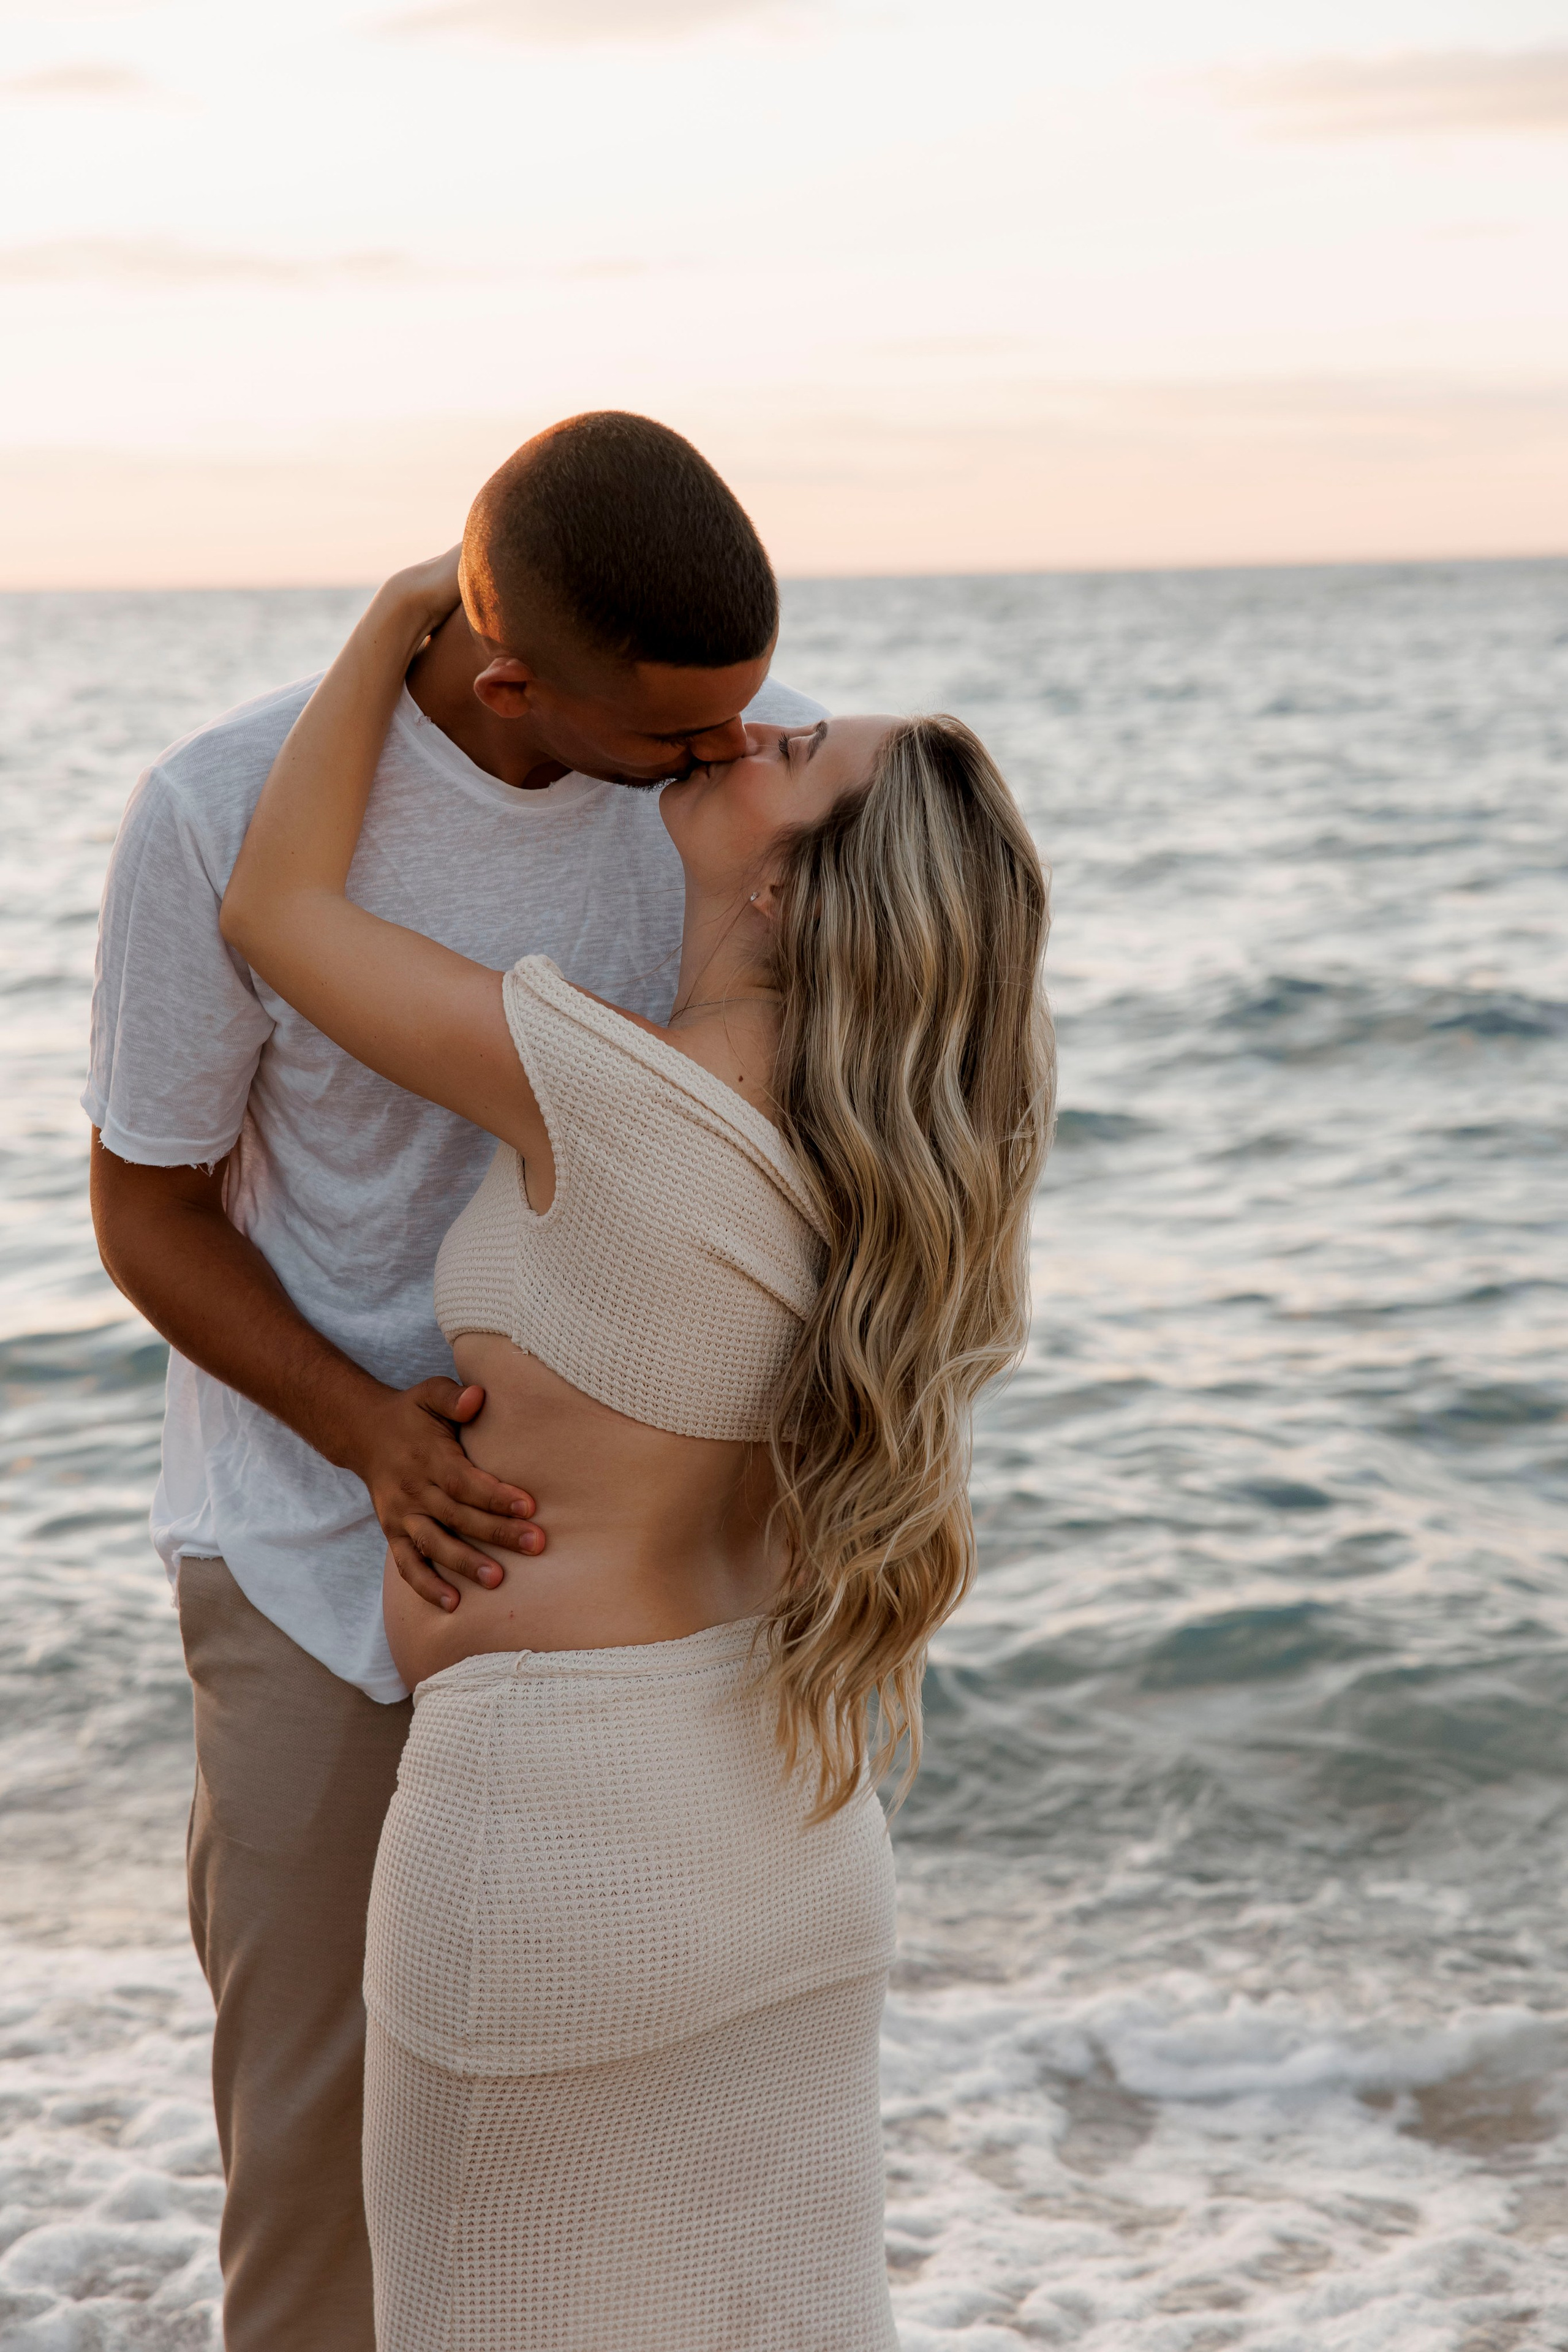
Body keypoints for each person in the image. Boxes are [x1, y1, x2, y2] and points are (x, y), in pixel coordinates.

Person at [219, 547, 1055, 2347]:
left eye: (791, 749)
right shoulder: (891, 1178)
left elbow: (274, 911)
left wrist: (396, 615)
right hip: (787, 1832)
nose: (742, 736)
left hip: (560, 1847)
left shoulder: (605, 1084)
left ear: (795, 872)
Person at [85, 412, 827, 2352]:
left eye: (752, 714)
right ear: (514, 680)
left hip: (630, 1619)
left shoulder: (747, 804)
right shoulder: (224, 807)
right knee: (326, 2175)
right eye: (683, 734)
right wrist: (366, 1432)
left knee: (625, 2150)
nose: (737, 754)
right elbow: (147, 1207)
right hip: (316, 1562)